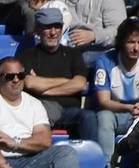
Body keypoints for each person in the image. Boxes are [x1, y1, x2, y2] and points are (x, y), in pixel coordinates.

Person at [18, 7, 96, 138]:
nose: (53, 32)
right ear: (37, 29)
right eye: (47, 27)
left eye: (57, 27)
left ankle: (94, 157)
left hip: (69, 112)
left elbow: (80, 84)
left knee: (89, 116)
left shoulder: (73, 54)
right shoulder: (27, 56)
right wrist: (66, 82)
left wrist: (43, 89)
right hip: (40, 112)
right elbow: (30, 83)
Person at [92, 17, 139, 157]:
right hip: (116, 115)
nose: (136, 48)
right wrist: (129, 108)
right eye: (131, 42)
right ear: (121, 42)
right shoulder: (105, 61)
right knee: (104, 117)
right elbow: (103, 101)